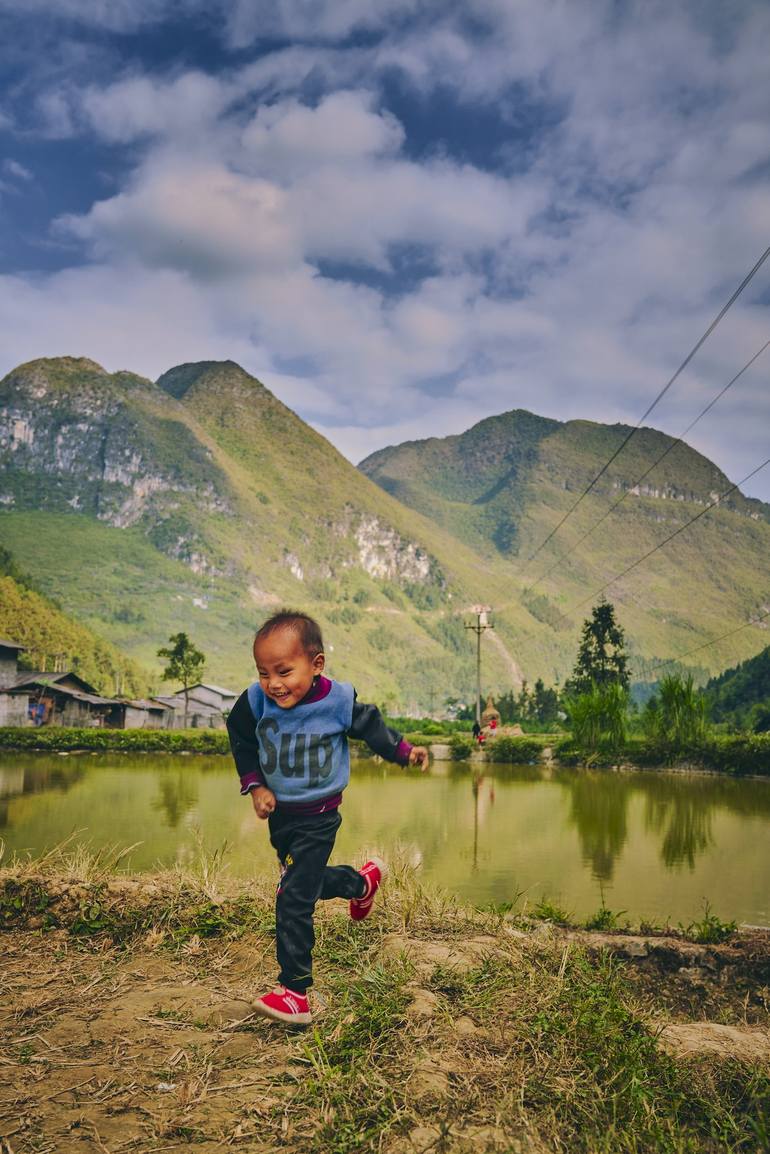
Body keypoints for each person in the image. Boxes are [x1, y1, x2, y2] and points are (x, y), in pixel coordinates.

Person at [227, 609, 429, 1028]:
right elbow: (241, 738)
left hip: (320, 817)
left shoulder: (337, 701)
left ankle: (295, 992)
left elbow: (371, 727)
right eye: (264, 672)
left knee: (293, 896)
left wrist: (403, 751)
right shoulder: (254, 700)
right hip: (281, 817)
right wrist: (255, 785)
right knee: (304, 883)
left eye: (283, 671)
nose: (274, 684)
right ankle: (360, 882)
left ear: (316, 664)